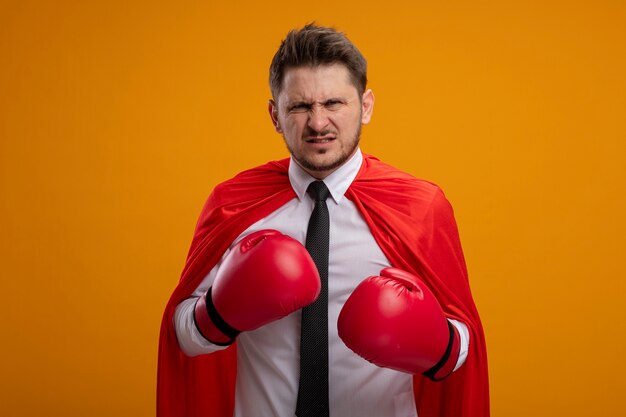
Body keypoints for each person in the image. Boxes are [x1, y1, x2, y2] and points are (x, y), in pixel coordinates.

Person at [157, 24, 489, 417]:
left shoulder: (419, 207)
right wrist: (220, 310)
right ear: (275, 115)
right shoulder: (233, 204)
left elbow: (464, 346)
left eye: (334, 103)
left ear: (365, 106)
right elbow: (183, 336)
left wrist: (438, 343)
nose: (318, 123)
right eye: (299, 107)